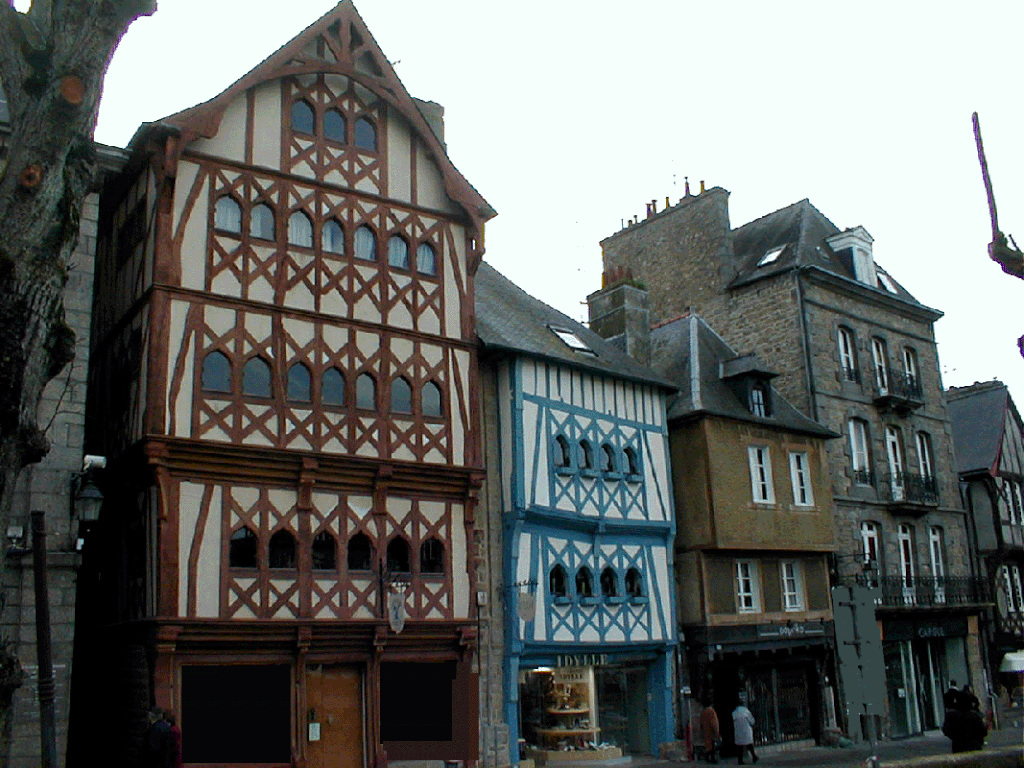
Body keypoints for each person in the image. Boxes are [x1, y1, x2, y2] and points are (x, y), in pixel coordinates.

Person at [732, 700, 757, 765]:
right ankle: (754, 756)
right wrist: (753, 724)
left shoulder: (734, 712)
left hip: (738, 731)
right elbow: (751, 720)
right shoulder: (745, 711)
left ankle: (740, 760)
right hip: (746, 730)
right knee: (749, 744)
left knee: (739, 746)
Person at [699, 696, 720, 764]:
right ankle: (712, 758)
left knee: (708, 746)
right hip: (711, 731)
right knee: (712, 746)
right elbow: (713, 722)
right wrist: (716, 731)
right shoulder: (711, 711)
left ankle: (708, 758)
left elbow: (701, 722)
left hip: (705, 731)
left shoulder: (703, 712)